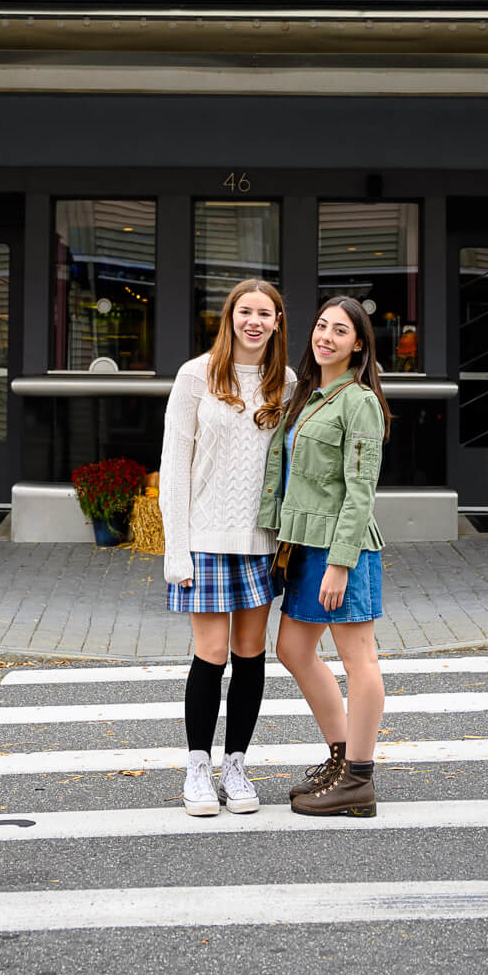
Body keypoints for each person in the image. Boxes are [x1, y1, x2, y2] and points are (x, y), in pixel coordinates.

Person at [159, 279, 292, 818]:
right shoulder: (196, 375)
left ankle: (236, 765)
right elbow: (174, 466)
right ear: (230, 317)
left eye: (265, 312)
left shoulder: (285, 381)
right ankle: (197, 767)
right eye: (245, 311)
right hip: (206, 540)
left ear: (278, 321)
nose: (254, 321)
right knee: (210, 657)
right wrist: (177, 548)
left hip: (260, 541)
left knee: (251, 655)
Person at [258, 294, 389, 819]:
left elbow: (361, 489)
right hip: (304, 544)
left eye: (340, 330)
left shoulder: (358, 400)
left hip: (342, 547)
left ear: (358, 344)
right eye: (320, 326)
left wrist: (341, 562)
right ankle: (340, 758)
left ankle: (359, 777)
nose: (326, 336)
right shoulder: (311, 395)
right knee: (292, 648)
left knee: (360, 660)